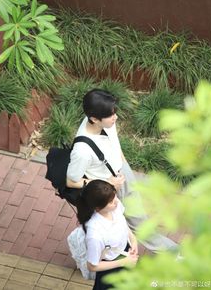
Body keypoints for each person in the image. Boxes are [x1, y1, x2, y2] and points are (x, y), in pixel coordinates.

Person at [67, 88, 178, 252]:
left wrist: (126, 169)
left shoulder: (105, 121)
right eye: (111, 115)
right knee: (138, 224)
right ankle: (175, 253)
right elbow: (71, 181)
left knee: (133, 221)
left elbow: (114, 145)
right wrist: (108, 182)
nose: (116, 117)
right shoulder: (82, 151)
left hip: (121, 173)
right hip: (109, 187)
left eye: (114, 112)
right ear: (94, 119)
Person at [76, 179, 138, 290]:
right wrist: (124, 262)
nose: (116, 202)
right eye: (110, 202)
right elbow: (92, 266)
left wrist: (133, 240)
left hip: (124, 253)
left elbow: (122, 223)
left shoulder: (115, 204)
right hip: (111, 268)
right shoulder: (95, 234)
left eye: (114, 197)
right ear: (97, 208)